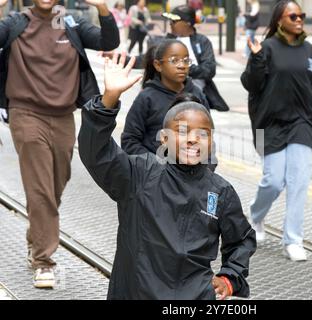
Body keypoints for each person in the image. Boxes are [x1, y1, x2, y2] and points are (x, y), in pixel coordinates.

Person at [78, 53, 256, 299]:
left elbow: (242, 240)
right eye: (183, 131)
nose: (193, 138)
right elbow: (96, 153)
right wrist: (108, 100)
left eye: (203, 133)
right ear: (164, 138)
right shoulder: (139, 173)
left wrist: (229, 278)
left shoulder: (220, 191)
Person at [0, 0, 119, 288]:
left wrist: (103, 7)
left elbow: (108, 41)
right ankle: (43, 261)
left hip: (64, 115)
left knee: (56, 183)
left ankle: (36, 236)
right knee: (40, 188)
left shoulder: (71, 23)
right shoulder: (16, 22)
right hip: (25, 113)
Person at [241, 0, 312, 261]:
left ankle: (293, 240)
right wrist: (257, 59)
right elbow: (251, 84)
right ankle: (256, 216)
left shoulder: (309, 50)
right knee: (273, 181)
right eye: (292, 16)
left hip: (302, 123)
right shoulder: (267, 48)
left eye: (301, 15)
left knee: (299, 181)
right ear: (279, 20)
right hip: (268, 124)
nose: (298, 19)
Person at [121, 39, 210, 158]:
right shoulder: (147, 97)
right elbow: (130, 141)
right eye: (174, 60)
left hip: (193, 172)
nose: (182, 66)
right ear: (158, 65)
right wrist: (155, 166)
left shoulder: (197, 93)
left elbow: (207, 136)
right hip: (155, 172)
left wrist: (205, 167)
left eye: (186, 61)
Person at [161, 5, 229, 112]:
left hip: (195, 99)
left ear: (187, 23)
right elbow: (150, 59)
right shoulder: (167, 41)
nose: (170, 23)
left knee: (190, 126)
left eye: (174, 21)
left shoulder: (202, 41)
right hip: (168, 96)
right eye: (170, 20)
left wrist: (184, 68)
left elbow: (209, 70)